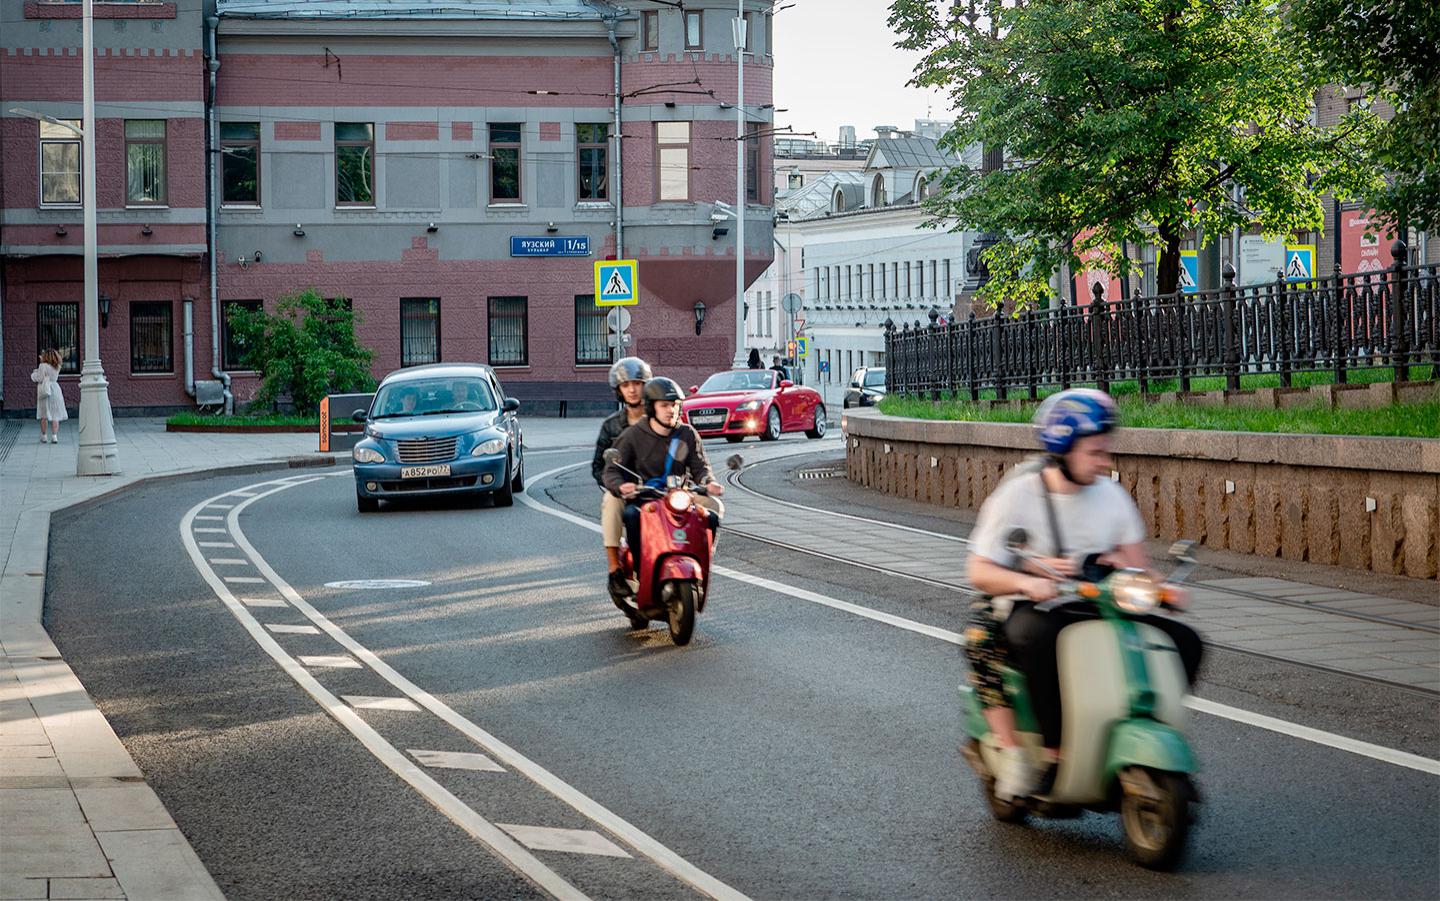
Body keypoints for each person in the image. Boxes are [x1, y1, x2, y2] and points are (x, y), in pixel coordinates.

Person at [963, 388, 1203, 800]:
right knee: (1035, 638)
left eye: (1105, 451)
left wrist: (1163, 590)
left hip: (1098, 603)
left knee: (1185, 641)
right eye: (1094, 452)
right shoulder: (1018, 496)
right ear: (1063, 448)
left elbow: (1138, 564)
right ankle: (1050, 754)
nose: (1104, 461)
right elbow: (978, 569)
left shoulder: (1111, 496)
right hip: (1035, 603)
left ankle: (1138, 725)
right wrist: (1026, 581)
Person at [603, 377, 725, 567]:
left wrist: (708, 482)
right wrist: (621, 485)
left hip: (679, 496)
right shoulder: (632, 435)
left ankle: (702, 559)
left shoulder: (687, 433)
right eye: (664, 405)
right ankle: (637, 565)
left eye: (675, 405)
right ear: (651, 408)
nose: (671, 410)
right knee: (631, 516)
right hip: (644, 496)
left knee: (713, 510)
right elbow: (612, 470)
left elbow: (699, 466)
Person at [592, 356, 652, 596]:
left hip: (660, 487)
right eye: (626, 385)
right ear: (619, 390)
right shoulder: (611, 426)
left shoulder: (660, 418)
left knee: (707, 507)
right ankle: (615, 569)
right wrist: (617, 485)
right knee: (610, 502)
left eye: (637, 383)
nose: (632, 389)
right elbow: (598, 467)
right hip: (627, 491)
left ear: (645, 385)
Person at [30, 350, 67, 444]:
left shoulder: (42, 365)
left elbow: (39, 378)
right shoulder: (57, 366)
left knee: (44, 415)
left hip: (45, 390)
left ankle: (44, 436)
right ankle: (54, 436)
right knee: (55, 415)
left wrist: (34, 373)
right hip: (55, 389)